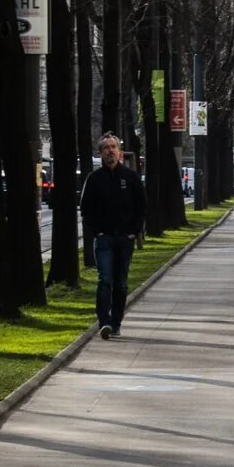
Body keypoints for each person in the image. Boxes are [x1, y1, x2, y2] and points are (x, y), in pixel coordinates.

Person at [81, 131, 147, 337]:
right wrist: (97, 231)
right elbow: (86, 208)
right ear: (100, 153)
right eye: (106, 148)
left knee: (121, 283)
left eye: (113, 147)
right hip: (104, 238)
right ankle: (104, 322)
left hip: (125, 238)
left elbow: (141, 206)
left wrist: (134, 232)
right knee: (105, 279)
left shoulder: (130, 177)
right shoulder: (94, 179)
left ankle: (116, 321)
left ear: (119, 152)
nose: (110, 151)